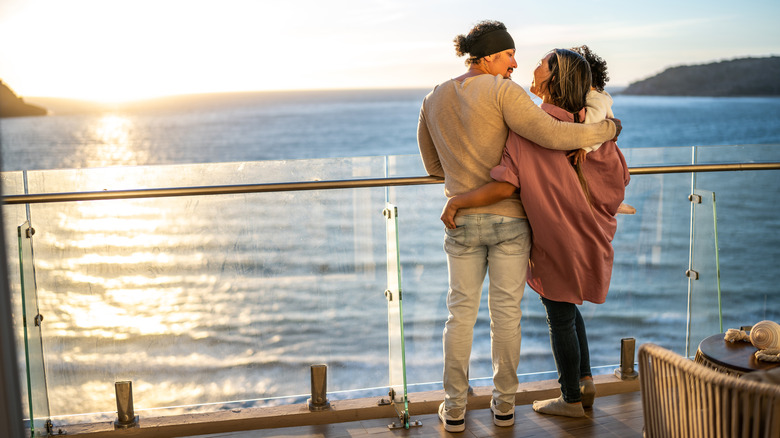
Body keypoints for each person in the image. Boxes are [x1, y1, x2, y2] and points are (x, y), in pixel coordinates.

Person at [417, 20, 621, 432]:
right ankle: (504, 408)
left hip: (461, 218)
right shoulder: (504, 92)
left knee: (458, 316)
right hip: (510, 219)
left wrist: (462, 182)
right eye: (510, 55)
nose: (515, 63)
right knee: (505, 316)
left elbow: (433, 166)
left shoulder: (432, 98)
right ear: (491, 55)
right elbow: (552, 134)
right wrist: (608, 128)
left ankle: (454, 410)